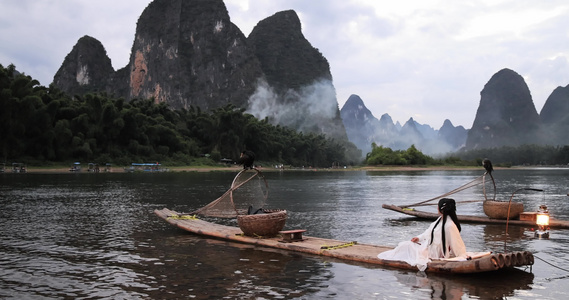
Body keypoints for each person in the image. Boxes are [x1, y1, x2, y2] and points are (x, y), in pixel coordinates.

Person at [377, 198, 467, 271]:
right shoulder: (440, 220)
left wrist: (462, 256)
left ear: (441, 209)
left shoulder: (449, 225)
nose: (437, 208)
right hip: (429, 248)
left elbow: (457, 243)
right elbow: (429, 232)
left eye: (437, 206)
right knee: (406, 245)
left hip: (434, 254)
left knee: (405, 246)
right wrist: (418, 238)